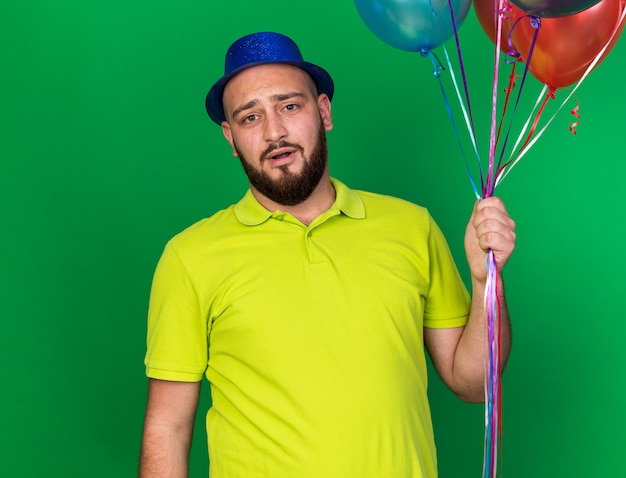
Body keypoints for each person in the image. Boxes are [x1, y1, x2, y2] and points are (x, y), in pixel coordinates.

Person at [139, 32, 516, 478]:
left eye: (289, 106)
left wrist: (484, 282)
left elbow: (474, 384)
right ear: (230, 137)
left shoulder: (411, 226)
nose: (274, 132)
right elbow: (168, 427)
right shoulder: (190, 256)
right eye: (249, 117)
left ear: (323, 111)